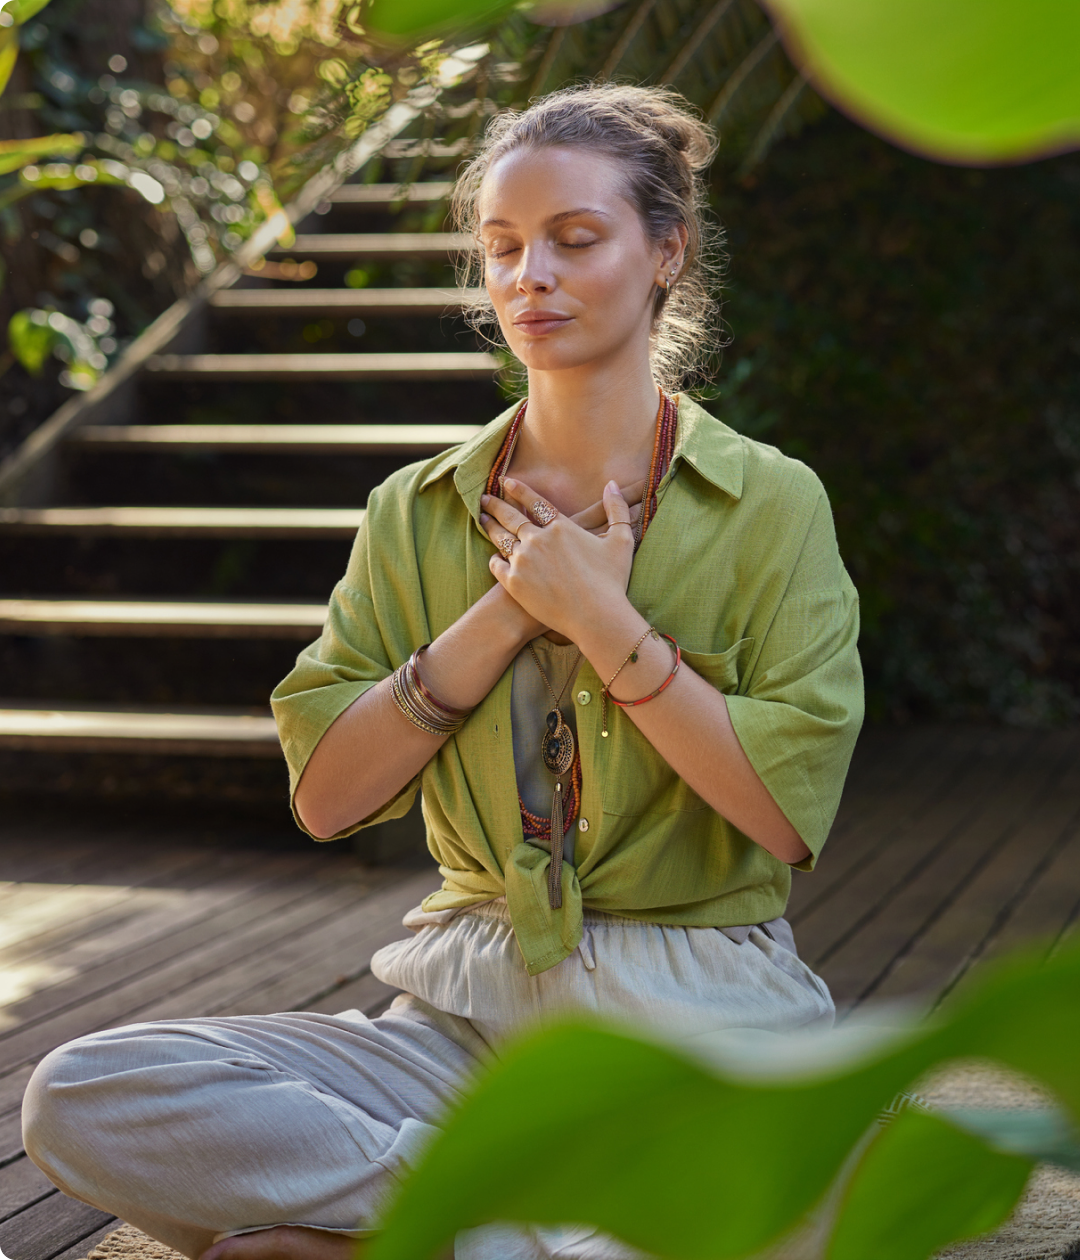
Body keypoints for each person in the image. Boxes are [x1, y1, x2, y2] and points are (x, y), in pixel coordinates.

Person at [22, 84, 863, 1260]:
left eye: (576, 240)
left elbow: (780, 814)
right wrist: (510, 613)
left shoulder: (770, 503)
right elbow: (326, 798)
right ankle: (511, 1221)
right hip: (458, 1026)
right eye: (504, 247)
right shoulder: (411, 513)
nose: (531, 277)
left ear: (665, 250)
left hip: (698, 1024)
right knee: (80, 1093)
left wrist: (608, 625)